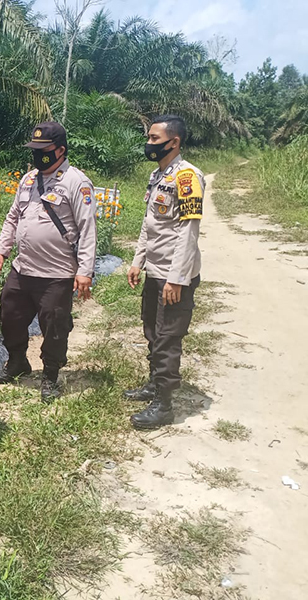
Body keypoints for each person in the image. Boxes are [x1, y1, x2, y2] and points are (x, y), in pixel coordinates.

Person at [0, 122, 98, 400]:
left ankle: (50, 374)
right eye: (35, 150)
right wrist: (1, 250)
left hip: (57, 273)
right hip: (23, 268)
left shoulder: (76, 182)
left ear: (61, 150)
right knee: (10, 316)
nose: (38, 155)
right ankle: (17, 362)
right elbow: (13, 217)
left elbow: (87, 228)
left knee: (54, 324)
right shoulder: (28, 179)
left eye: (44, 150)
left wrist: (85, 271)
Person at [125, 115, 204, 430]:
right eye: (149, 137)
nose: (149, 143)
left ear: (174, 142)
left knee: (168, 338)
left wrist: (177, 278)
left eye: (155, 139)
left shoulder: (187, 178)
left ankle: (164, 404)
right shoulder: (157, 175)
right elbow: (150, 224)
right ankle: (153, 383)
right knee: (153, 333)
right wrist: (137, 260)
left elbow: (188, 232)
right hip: (155, 271)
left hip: (174, 275)